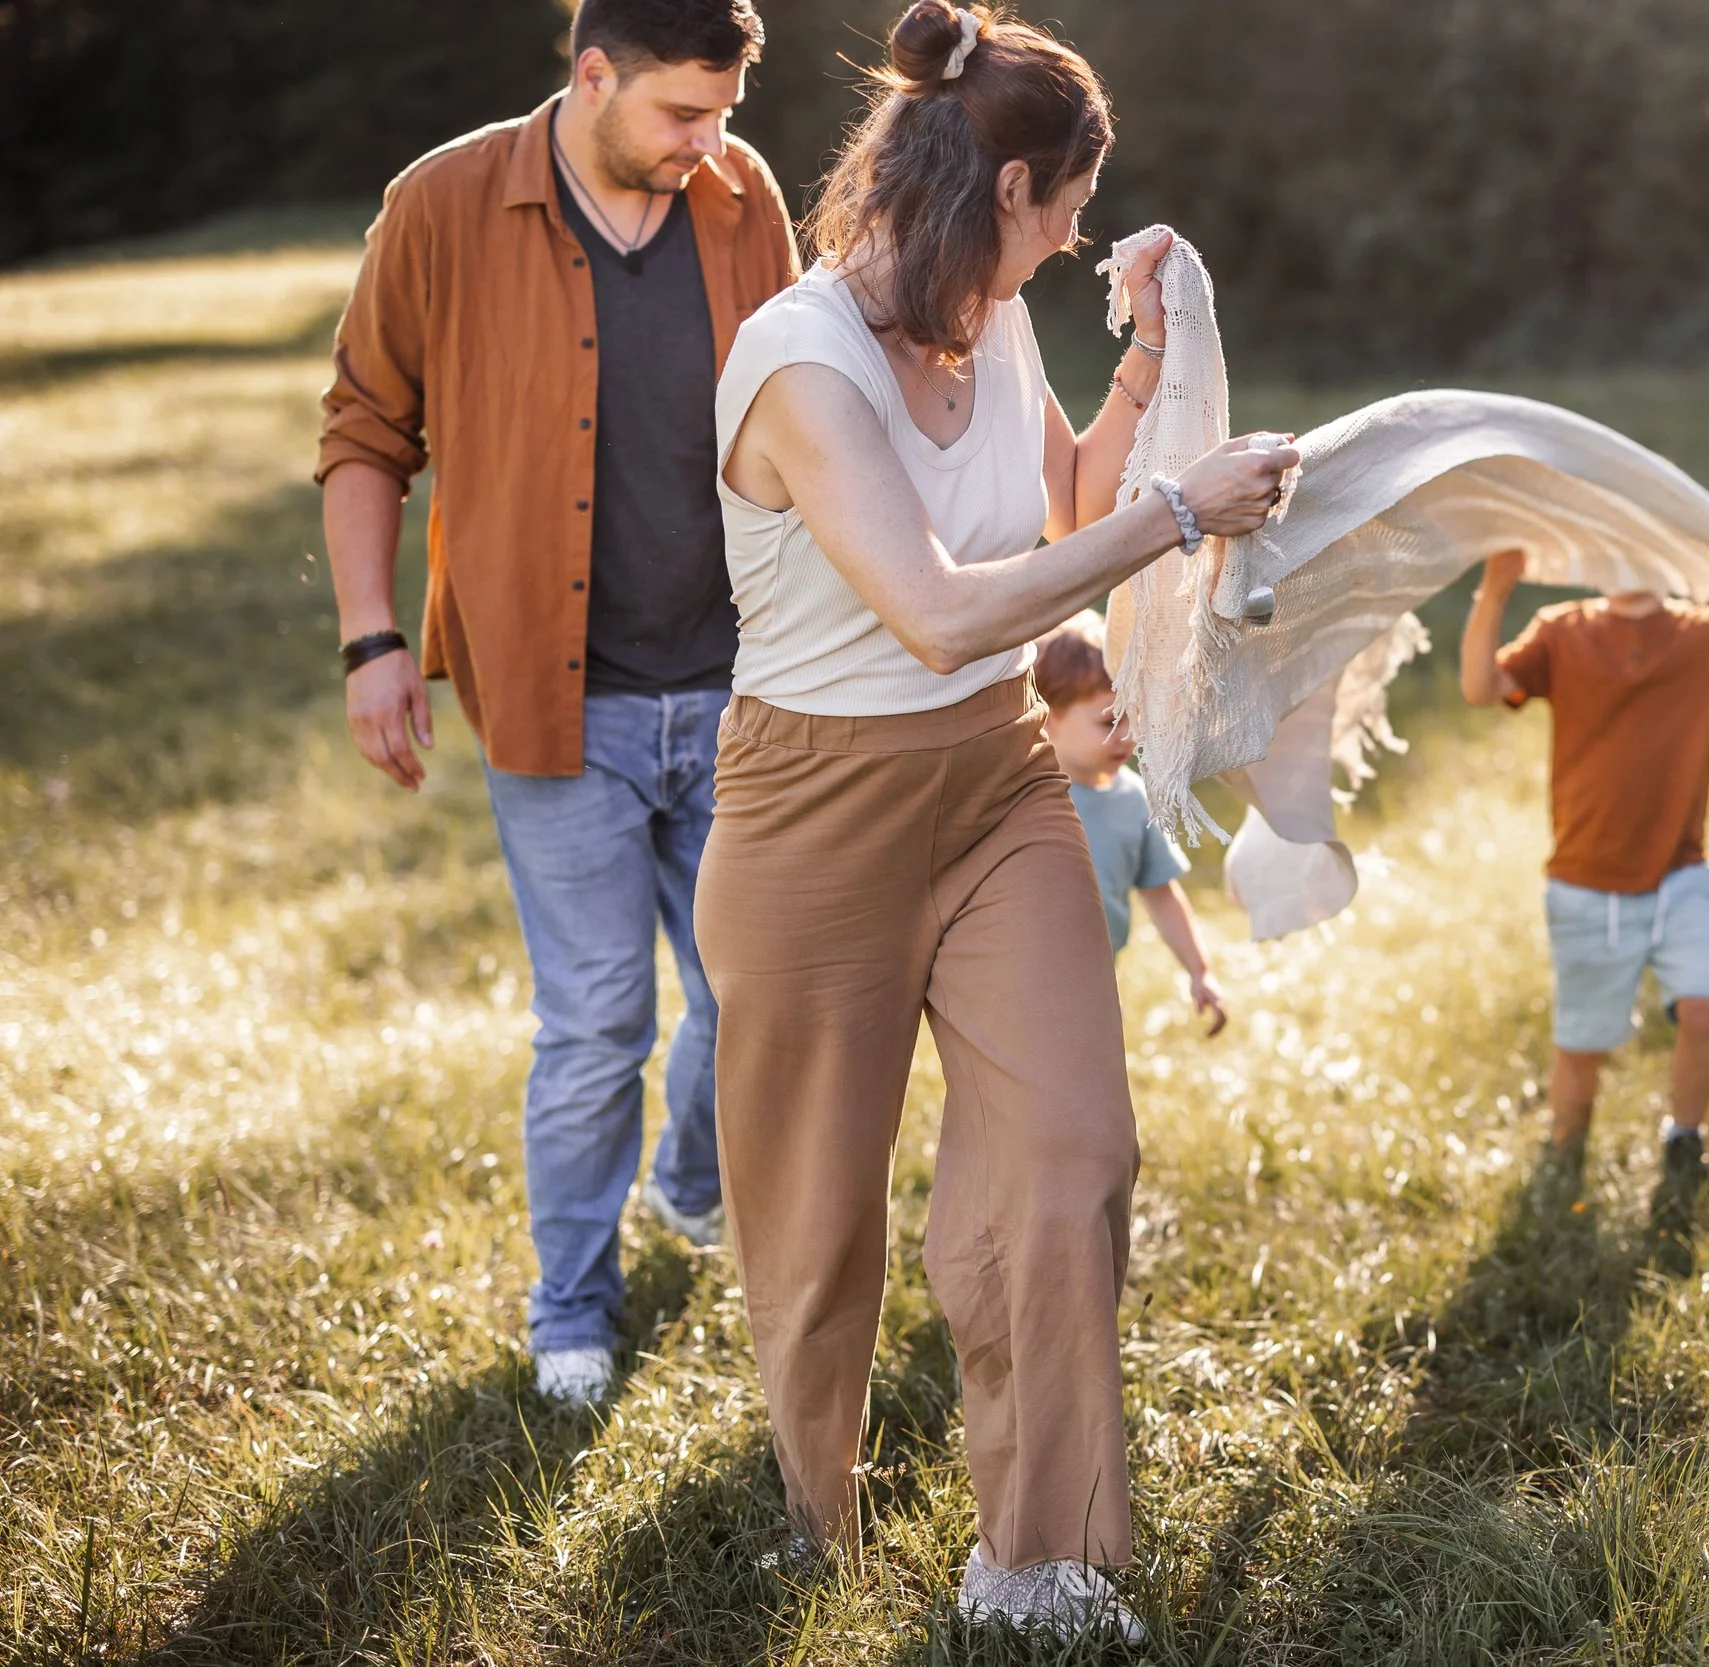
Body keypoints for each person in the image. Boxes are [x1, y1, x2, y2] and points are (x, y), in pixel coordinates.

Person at [691, 0, 1295, 1641]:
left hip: (998, 785)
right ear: (1012, 185)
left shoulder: (994, 318)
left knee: (1073, 1146)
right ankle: (818, 1511)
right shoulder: (797, 360)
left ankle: (1039, 1561)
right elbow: (943, 611)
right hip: (812, 806)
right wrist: (1183, 512)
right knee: (816, 1234)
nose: (1076, 236)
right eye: (1073, 209)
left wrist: (1152, 362)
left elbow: (1068, 517)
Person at [315, 0, 801, 1407]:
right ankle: (572, 1306)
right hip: (551, 701)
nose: (712, 144)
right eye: (681, 115)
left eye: (723, 114)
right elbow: (364, 430)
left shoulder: (739, 193)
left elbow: (810, 408)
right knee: (597, 1024)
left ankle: (693, 1187)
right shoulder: (446, 202)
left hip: (744, 690)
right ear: (592, 76)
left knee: (753, 995)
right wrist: (372, 642)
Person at [1459, 550, 1709, 1230]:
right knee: (1583, 1045)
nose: (1627, 557)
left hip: (1682, 873)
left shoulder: (1706, 634)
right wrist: (1494, 592)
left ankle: (1684, 1137)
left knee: (1707, 1010)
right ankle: (1563, 1163)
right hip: (1586, 879)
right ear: (1586, 551)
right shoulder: (1561, 630)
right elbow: (1482, 687)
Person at [1032, 612, 1227, 1033]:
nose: (1128, 733)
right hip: (1018, 979)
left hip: (1095, 981)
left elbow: (1161, 892)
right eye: (1109, 720)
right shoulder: (1025, 799)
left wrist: (1200, 970)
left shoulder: (1133, 799)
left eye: (1133, 714)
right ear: (1048, 718)